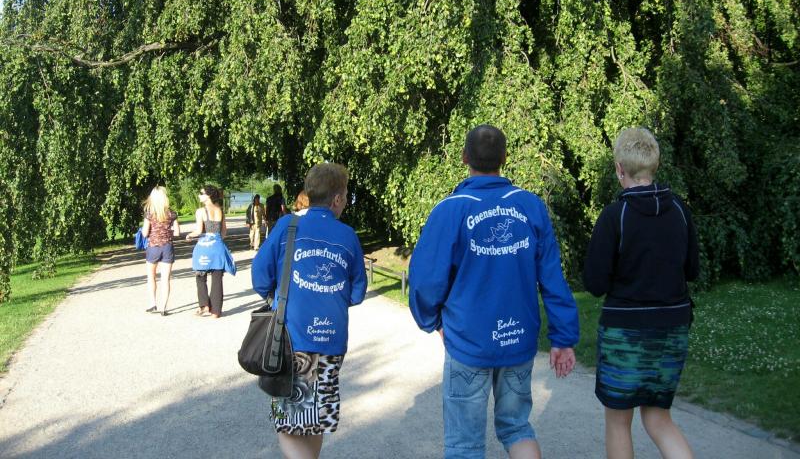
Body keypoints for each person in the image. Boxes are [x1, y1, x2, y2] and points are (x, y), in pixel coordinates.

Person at [409, 125, 580, 459]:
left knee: (464, 445)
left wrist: (433, 321)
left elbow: (425, 280)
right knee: (517, 428)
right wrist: (563, 337)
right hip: (518, 339)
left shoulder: (451, 209)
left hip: (468, 342)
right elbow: (552, 278)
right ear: (504, 158)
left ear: (464, 158)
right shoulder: (530, 206)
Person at [584, 127, 699, 459]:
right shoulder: (680, 210)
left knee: (619, 422)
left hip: (625, 334)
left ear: (619, 168)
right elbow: (692, 271)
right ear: (654, 166)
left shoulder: (615, 216)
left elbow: (595, 284)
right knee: (659, 418)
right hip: (672, 330)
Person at [252, 163, 367, 459]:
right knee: (316, 418)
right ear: (337, 199)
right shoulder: (347, 235)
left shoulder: (286, 227)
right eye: (345, 195)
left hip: (291, 339)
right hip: (331, 341)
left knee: (288, 421)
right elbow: (357, 292)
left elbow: (260, 277)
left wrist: (281, 295)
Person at [186, 184, 235, 318]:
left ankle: (204, 305)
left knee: (200, 275)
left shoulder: (201, 211)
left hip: (204, 247)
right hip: (218, 246)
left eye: (201, 193)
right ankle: (216, 311)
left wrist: (189, 235)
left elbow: (198, 231)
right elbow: (224, 232)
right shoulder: (220, 210)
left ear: (208, 196)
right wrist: (217, 240)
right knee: (217, 278)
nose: (199, 195)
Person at [141, 186, 180, 316]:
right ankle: (163, 307)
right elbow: (177, 232)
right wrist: (167, 233)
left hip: (153, 247)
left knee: (151, 277)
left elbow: (145, 233)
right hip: (167, 247)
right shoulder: (172, 214)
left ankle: (153, 303)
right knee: (165, 279)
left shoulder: (149, 214)